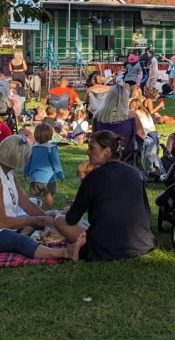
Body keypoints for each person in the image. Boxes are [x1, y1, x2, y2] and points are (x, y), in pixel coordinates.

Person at [0, 135, 84, 261]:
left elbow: (26, 204)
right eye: (26, 156)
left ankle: (25, 232)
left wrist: (48, 220)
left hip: (2, 224)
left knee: (45, 219)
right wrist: (34, 220)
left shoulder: (8, 171)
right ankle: (65, 252)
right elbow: (1, 222)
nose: (28, 159)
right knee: (20, 241)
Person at [53, 130, 154, 260]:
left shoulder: (94, 177)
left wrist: (67, 211)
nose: (87, 152)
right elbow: (146, 211)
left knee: (59, 220)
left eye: (91, 148)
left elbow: (71, 219)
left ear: (106, 150)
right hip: (141, 242)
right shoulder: (134, 172)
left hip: (106, 247)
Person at [90, 84, 142, 161]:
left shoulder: (97, 116)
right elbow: (141, 135)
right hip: (126, 156)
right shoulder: (131, 116)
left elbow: (93, 136)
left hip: (103, 157)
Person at [23, 122, 65, 208]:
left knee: (33, 196)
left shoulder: (32, 148)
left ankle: (32, 211)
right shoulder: (52, 148)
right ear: (50, 135)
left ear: (35, 135)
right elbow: (56, 164)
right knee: (48, 195)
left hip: (35, 178)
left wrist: (25, 173)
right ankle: (48, 211)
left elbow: (27, 163)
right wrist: (61, 175)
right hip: (49, 179)